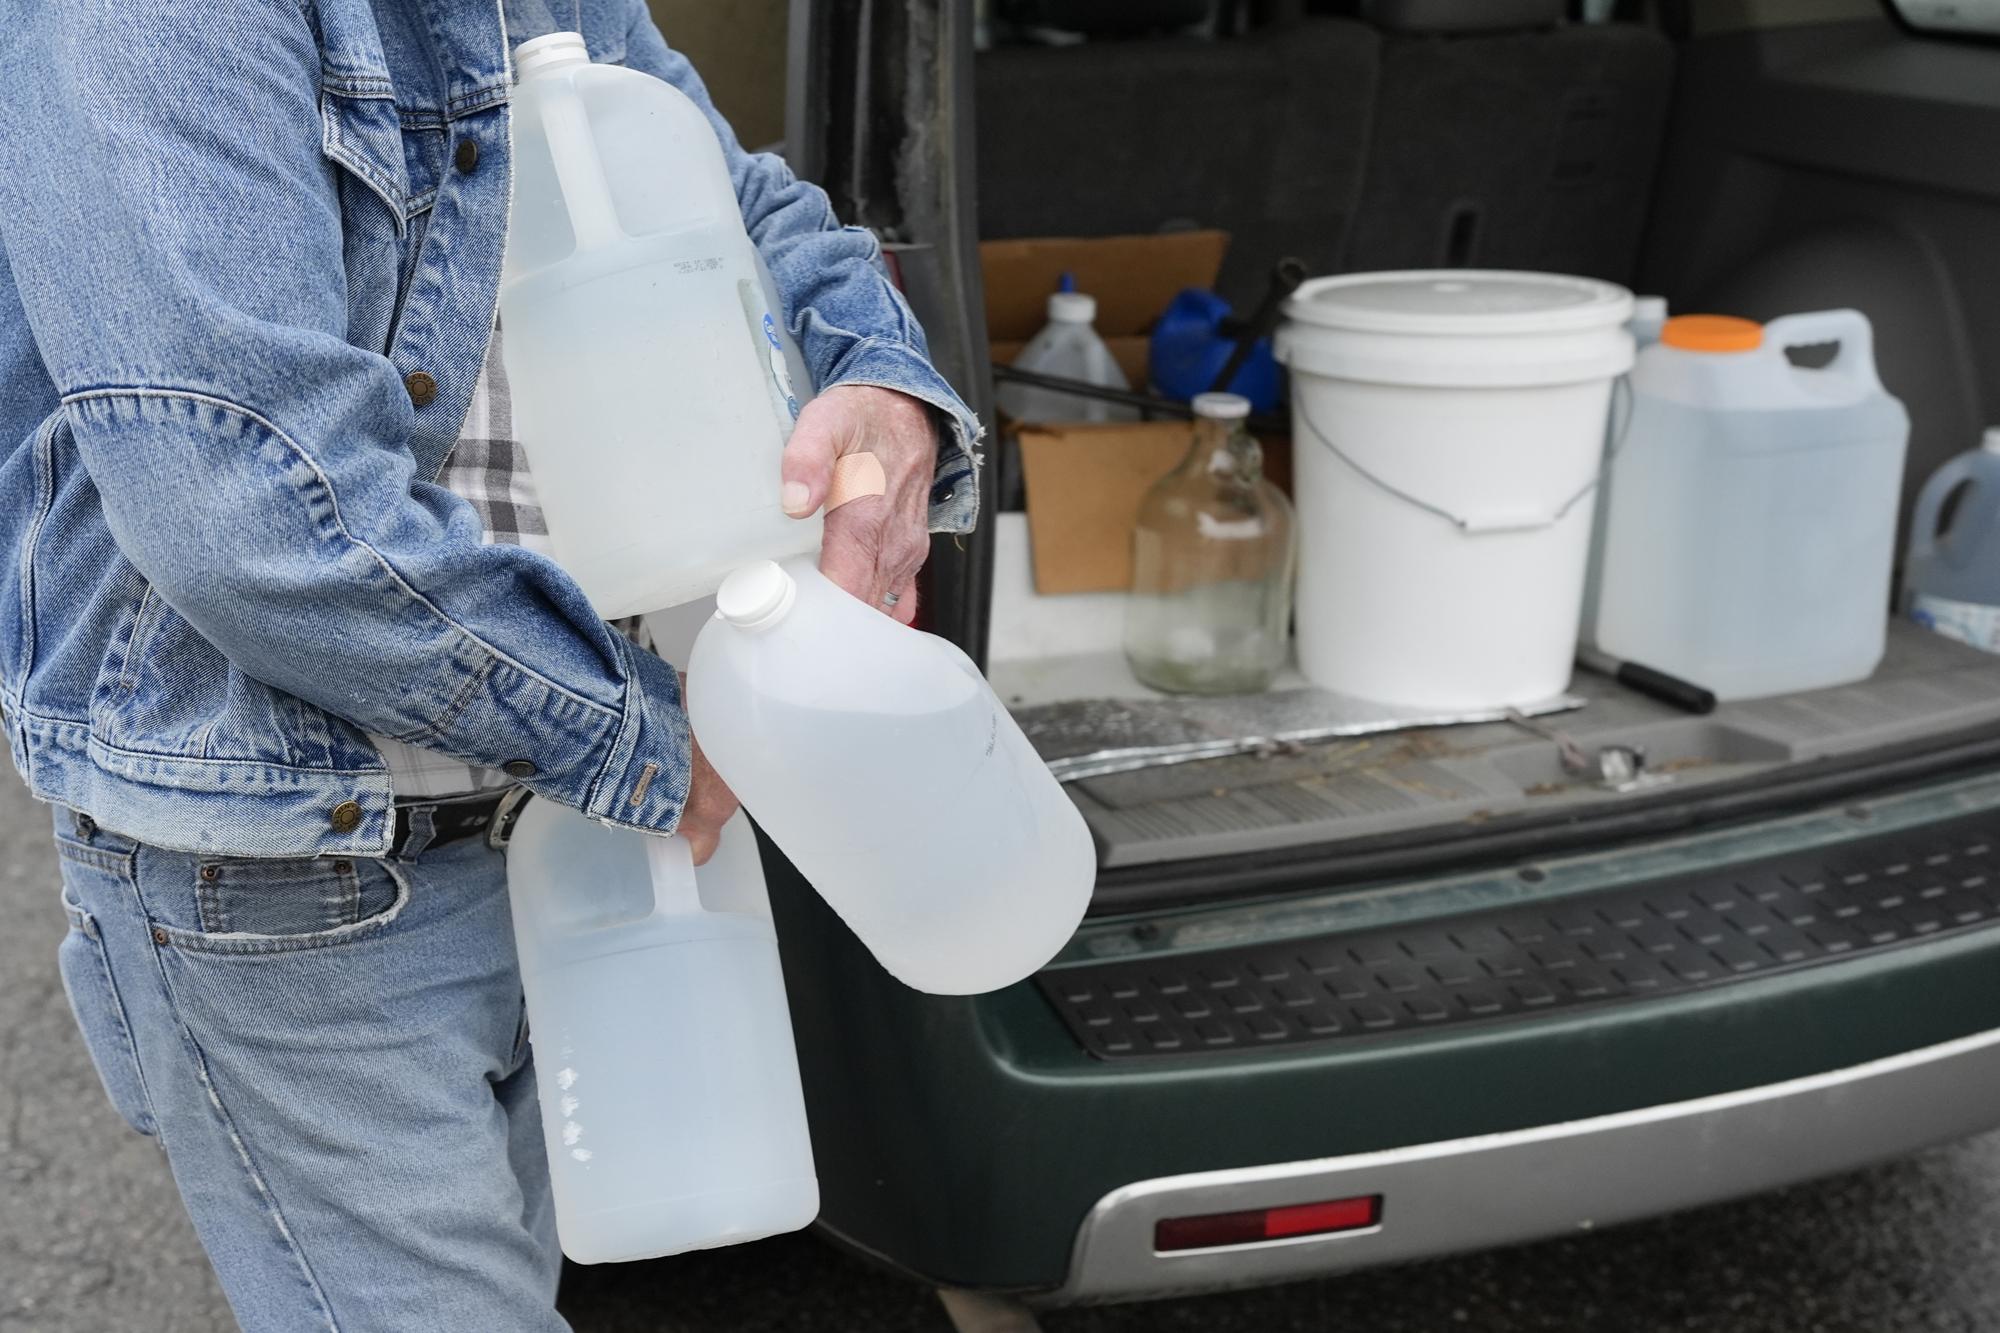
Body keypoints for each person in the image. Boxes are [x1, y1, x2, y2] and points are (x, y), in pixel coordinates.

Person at [0, 0, 979, 1328]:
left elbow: (733, 192)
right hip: (307, 875)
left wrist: (879, 374)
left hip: (546, 807)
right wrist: (642, 742)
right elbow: (249, 512)